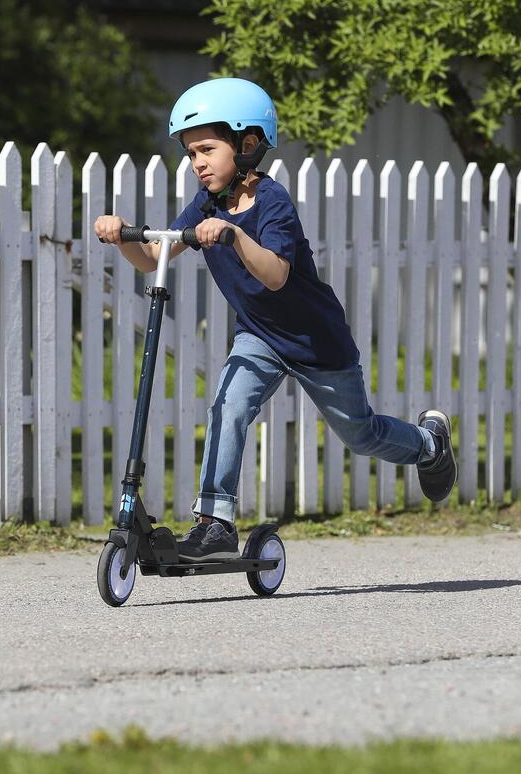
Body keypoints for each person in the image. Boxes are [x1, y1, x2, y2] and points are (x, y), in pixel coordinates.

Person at [94, 77, 457, 562]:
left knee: (361, 433)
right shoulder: (207, 205)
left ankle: (428, 445)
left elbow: (276, 275)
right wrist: (122, 235)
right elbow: (154, 255)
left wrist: (234, 237)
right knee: (228, 406)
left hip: (316, 342)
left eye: (206, 149)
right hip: (260, 338)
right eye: (190, 154)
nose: (197, 163)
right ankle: (216, 521)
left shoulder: (272, 202)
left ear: (247, 144)